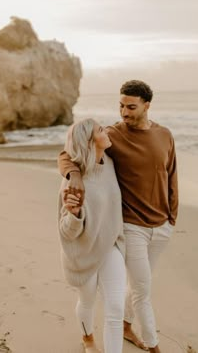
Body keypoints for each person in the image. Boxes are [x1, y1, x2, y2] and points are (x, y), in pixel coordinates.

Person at [58, 80, 178, 353]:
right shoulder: (114, 136)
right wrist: (73, 176)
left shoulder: (162, 136)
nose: (123, 113)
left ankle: (123, 329)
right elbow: (69, 151)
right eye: (121, 106)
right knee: (113, 296)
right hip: (111, 237)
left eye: (131, 107)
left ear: (147, 105)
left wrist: (173, 215)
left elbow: (171, 173)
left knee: (126, 296)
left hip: (141, 233)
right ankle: (101, 339)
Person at [57, 118, 126, 353]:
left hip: (110, 246)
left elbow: (63, 156)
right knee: (87, 302)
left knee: (116, 308)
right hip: (83, 252)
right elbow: (66, 232)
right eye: (99, 130)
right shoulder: (73, 183)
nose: (106, 131)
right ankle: (87, 339)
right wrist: (74, 214)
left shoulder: (110, 162)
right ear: (89, 141)